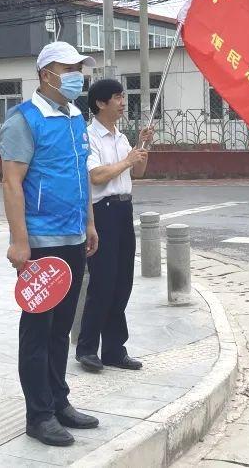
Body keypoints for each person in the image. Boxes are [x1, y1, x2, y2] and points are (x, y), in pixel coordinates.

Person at [0, 41, 100, 447]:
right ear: (46, 74)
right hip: (41, 242)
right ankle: (38, 414)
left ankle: (60, 402)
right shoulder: (24, 120)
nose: (77, 75)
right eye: (69, 67)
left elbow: (81, 173)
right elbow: (11, 182)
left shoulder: (76, 116)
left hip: (74, 235)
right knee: (38, 330)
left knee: (62, 329)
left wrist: (90, 223)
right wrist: (19, 241)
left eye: (80, 68)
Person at [76, 79, 153, 374]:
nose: (123, 102)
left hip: (123, 209)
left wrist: (142, 148)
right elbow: (96, 176)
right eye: (118, 97)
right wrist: (127, 159)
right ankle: (86, 348)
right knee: (102, 282)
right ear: (100, 103)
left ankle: (113, 349)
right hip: (102, 212)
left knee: (122, 282)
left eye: (123, 96)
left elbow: (139, 172)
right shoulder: (89, 137)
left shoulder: (121, 137)